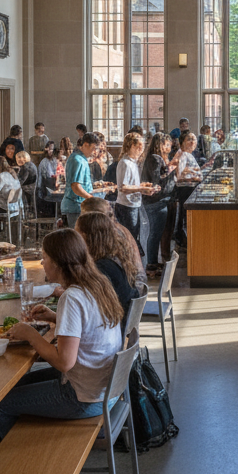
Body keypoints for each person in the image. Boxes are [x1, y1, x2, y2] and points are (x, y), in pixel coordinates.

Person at [0, 229, 124, 437]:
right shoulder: (98, 283)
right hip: (106, 390)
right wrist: (54, 317)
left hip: (83, 398)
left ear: (59, 262)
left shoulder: (71, 297)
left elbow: (64, 363)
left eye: (45, 258)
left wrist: (30, 335)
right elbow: (89, 326)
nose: (42, 263)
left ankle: (24, 461)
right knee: (14, 385)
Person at [75, 212, 139, 329]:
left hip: (112, 328)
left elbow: (88, 306)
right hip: (119, 324)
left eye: (77, 232)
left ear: (85, 236)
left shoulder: (101, 268)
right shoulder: (115, 258)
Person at [114, 131, 157, 263]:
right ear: (131, 146)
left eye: (142, 147)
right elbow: (123, 187)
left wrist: (144, 188)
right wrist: (141, 188)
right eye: (139, 147)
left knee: (135, 239)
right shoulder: (125, 163)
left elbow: (132, 185)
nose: (141, 150)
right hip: (126, 207)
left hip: (134, 205)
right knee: (130, 241)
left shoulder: (133, 163)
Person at [141, 132, 178, 278]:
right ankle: (151, 265)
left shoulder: (155, 158)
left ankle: (154, 263)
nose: (169, 147)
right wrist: (170, 170)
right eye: (167, 144)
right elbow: (158, 181)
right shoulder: (155, 159)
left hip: (159, 201)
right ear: (160, 145)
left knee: (157, 234)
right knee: (154, 235)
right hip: (156, 202)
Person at [61, 134, 97, 227]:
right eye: (93, 148)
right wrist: (91, 199)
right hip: (75, 207)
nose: (94, 152)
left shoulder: (80, 159)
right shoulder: (77, 160)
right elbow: (75, 186)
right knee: (77, 238)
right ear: (85, 145)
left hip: (78, 206)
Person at [35, 143, 61, 216]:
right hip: (47, 187)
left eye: (52, 149)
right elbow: (45, 177)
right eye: (49, 149)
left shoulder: (56, 160)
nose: (50, 151)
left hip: (55, 184)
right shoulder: (44, 161)